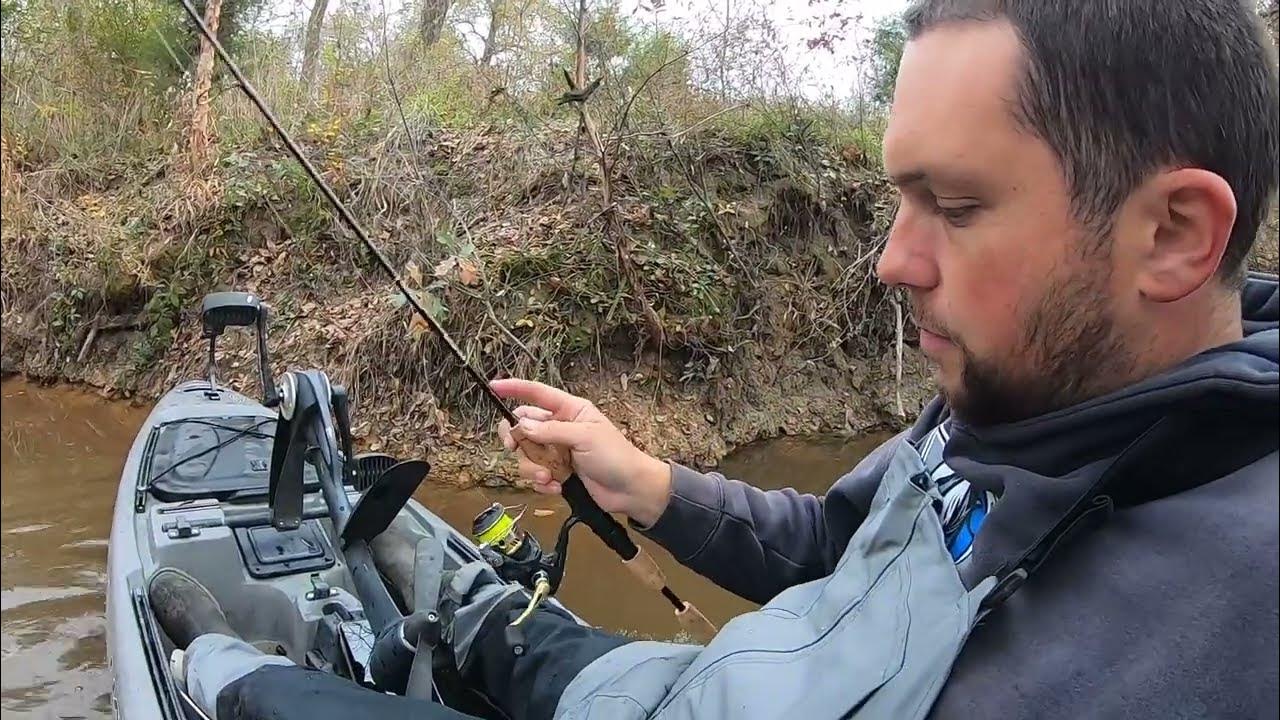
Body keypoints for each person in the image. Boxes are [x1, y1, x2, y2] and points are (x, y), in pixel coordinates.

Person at [152, 0, 1280, 717]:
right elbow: (841, 549)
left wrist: (245, 688)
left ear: (1172, 233)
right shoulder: (1021, 388)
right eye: (900, 200)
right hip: (677, 686)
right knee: (493, 627)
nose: (893, 262)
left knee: (265, 690)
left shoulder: (1223, 626)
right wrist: (639, 479)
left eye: (955, 205)